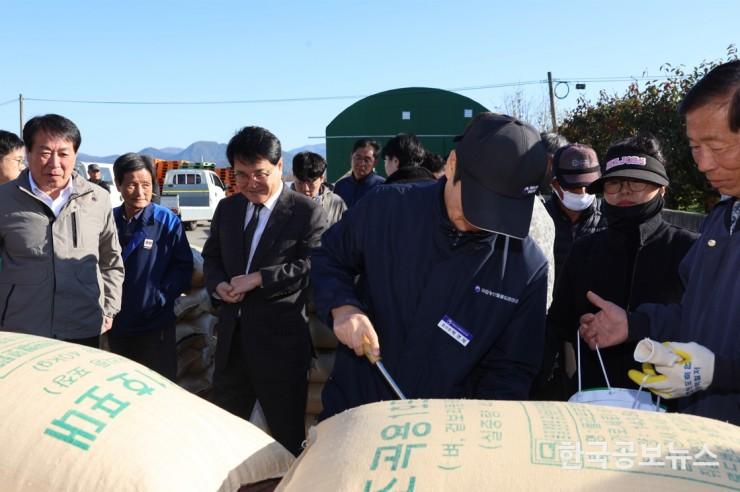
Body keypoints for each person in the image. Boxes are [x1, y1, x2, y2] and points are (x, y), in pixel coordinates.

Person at [312, 113, 549, 418]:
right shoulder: (387, 208)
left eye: (500, 211)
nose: (483, 222)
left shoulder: (526, 268)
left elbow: (511, 371)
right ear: (452, 165)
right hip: (357, 411)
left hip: (446, 433)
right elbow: (328, 257)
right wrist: (343, 307)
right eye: (478, 203)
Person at [580, 60, 740, 424]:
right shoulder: (722, 221)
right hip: (706, 433)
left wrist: (722, 372)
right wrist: (634, 325)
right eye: (695, 146)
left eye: (716, 146)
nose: (703, 163)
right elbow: (694, 313)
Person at [202, 126, 326, 456]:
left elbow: (314, 264)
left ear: (279, 166)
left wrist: (259, 278)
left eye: (260, 173)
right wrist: (218, 285)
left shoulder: (305, 211)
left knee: (286, 436)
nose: (250, 183)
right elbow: (211, 257)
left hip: (280, 345)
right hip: (232, 344)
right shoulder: (228, 210)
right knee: (227, 433)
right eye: (241, 175)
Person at [544, 134, 698, 397]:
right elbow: (560, 327)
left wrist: (639, 325)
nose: (624, 190)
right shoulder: (583, 251)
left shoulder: (690, 251)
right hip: (593, 399)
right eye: (614, 183)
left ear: (662, 188)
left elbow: (710, 328)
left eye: (637, 181)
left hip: (672, 406)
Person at [0, 114, 124, 346]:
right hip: (21, 328)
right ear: (28, 153)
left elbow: (111, 260)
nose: (54, 164)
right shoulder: (5, 199)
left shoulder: (97, 198)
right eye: (45, 153)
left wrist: (109, 308)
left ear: (75, 155)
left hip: (82, 326)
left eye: (64, 154)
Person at [108, 153, 193, 380]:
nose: (140, 192)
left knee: (158, 384)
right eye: (132, 185)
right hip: (117, 323)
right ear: (118, 185)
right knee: (121, 384)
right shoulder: (109, 220)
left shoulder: (166, 221)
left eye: (146, 185)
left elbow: (183, 266)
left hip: (155, 324)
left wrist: (160, 297)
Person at [545, 144, 607, 280]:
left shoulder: (611, 219)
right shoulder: (540, 220)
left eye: (589, 185)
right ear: (555, 184)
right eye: (575, 186)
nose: (583, 192)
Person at [291, 151, 347, 225]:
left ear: (321, 179)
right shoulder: (283, 204)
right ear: (294, 177)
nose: (305, 189)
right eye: (300, 182)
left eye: (311, 183)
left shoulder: (336, 204)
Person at [333, 138, 385, 207]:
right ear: (351, 157)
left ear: (375, 162)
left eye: (367, 160)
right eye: (358, 158)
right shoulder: (340, 186)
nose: (361, 163)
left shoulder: (382, 186)